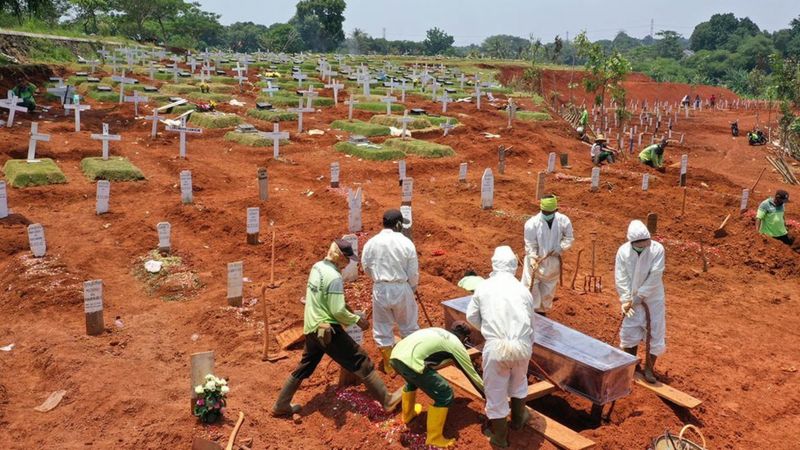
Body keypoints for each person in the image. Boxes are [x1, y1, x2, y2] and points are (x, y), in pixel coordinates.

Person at [272, 239, 402, 417]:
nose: (349, 263)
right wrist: (357, 320)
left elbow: (325, 299)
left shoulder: (317, 267)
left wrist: (345, 308)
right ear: (340, 257)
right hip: (327, 330)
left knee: (305, 365)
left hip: (311, 326)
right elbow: (337, 310)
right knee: (361, 361)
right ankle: (387, 400)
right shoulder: (334, 277)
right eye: (347, 259)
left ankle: (281, 404)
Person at [466, 246, 535, 448]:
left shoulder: (484, 287)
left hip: (496, 346)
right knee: (519, 382)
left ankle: (499, 438)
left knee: (496, 391)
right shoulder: (523, 290)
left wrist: (488, 331)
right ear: (514, 265)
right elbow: (532, 323)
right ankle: (518, 420)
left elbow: (471, 316)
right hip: (522, 344)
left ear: (494, 264)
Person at [390, 323, 485, 448]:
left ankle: (408, 415)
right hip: (411, 361)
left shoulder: (437, 331)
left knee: (412, 381)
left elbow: (431, 357)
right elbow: (472, 374)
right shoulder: (455, 344)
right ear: (464, 338)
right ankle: (434, 438)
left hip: (395, 355)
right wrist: (487, 394)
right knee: (445, 394)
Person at [361, 209, 420, 376]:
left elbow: (365, 266)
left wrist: (378, 279)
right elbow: (413, 272)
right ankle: (409, 360)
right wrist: (412, 287)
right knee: (408, 325)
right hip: (401, 287)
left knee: (382, 327)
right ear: (399, 224)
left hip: (380, 288)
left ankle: (389, 364)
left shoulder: (371, 243)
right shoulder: (406, 243)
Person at [615, 220, 666, 384]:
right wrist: (625, 299)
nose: (645, 246)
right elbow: (620, 276)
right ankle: (630, 364)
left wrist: (640, 296)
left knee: (655, 332)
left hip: (653, 298)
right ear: (632, 242)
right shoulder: (623, 252)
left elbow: (655, 275)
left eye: (647, 243)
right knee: (629, 330)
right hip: (631, 300)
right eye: (641, 244)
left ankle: (649, 369)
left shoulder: (657, 250)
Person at [522, 194, 574, 315]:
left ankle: (542, 313)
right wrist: (533, 258)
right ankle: (530, 312)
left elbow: (569, 238)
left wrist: (560, 248)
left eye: (549, 212)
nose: (547, 215)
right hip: (535, 262)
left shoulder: (563, 221)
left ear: (556, 210)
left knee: (548, 290)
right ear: (541, 209)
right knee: (531, 287)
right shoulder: (532, 224)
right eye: (545, 212)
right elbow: (530, 244)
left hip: (553, 262)